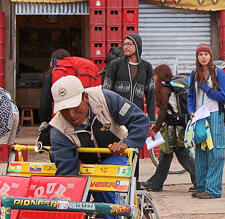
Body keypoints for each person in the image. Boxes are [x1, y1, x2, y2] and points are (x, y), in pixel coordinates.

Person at [49, 75, 151, 206]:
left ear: (85, 97)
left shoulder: (105, 98)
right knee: (75, 193)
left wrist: (127, 144)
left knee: (105, 185)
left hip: (115, 157)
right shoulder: (58, 129)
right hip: (81, 164)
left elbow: (140, 120)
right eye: (64, 110)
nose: (71, 114)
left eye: (75, 107)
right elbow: (67, 171)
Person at [144, 64, 196, 192]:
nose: (153, 78)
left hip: (174, 127)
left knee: (182, 154)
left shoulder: (164, 89)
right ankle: (155, 183)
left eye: (155, 75)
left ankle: (200, 181)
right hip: (175, 126)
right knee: (166, 155)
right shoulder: (170, 88)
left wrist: (156, 128)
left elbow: (163, 111)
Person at [187, 43, 225, 199]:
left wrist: (207, 89)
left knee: (216, 151)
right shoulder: (194, 74)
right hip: (199, 116)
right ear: (197, 57)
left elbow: (223, 96)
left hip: (215, 114)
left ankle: (213, 190)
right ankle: (202, 186)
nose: (203, 57)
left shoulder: (218, 73)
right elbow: (190, 96)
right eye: (200, 54)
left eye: (206, 54)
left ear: (210, 56)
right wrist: (191, 111)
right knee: (201, 151)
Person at [102, 34, 156, 132]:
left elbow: (151, 94)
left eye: (129, 44)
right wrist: (107, 113)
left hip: (136, 114)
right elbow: (106, 91)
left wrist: (152, 118)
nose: (125, 47)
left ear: (137, 46)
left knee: (134, 144)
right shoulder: (115, 64)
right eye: (124, 44)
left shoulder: (146, 67)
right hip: (117, 114)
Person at [38, 49, 71, 124]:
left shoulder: (51, 77)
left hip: (56, 119)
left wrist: (44, 119)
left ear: (52, 62)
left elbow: (45, 102)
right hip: (75, 117)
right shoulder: (75, 75)